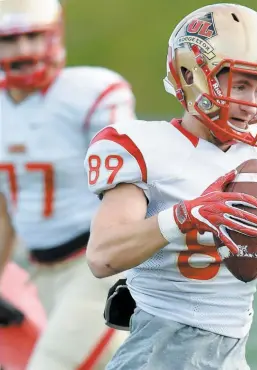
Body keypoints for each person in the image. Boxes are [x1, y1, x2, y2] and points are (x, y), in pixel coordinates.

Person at [84, 4, 257, 370]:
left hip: (229, 357)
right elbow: (102, 257)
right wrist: (182, 216)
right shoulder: (146, 148)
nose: (253, 103)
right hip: (157, 354)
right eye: (240, 85)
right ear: (190, 75)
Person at [0, 0, 135, 368]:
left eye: (33, 36)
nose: (24, 50)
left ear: (55, 35)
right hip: (42, 271)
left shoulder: (90, 94)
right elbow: (5, 209)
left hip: (97, 266)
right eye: (11, 40)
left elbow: (131, 187)